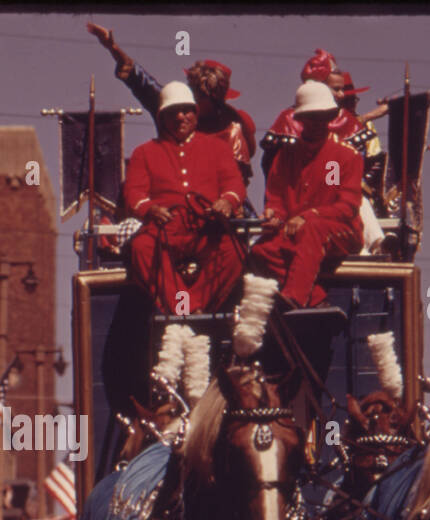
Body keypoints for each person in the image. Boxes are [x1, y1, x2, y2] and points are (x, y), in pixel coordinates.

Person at [87, 23, 256, 196]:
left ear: (217, 99)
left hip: (218, 202)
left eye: (201, 96)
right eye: (193, 91)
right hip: (168, 195)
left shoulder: (232, 128)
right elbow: (140, 79)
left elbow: (237, 179)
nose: (189, 107)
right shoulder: (173, 107)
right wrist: (113, 48)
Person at [124, 81, 246, 316]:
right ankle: (186, 308)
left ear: (196, 114)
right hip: (165, 228)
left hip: (207, 227)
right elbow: (134, 194)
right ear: (162, 118)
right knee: (141, 247)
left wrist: (226, 201)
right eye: (173, 112)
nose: (181, 117)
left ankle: (192, 307)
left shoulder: (218, 147)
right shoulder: (144, 152)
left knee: (234, 251)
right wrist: (150, 209)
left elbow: (235, 184)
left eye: (186, 110)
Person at [249, 81, 364, 310]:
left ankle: (294, 299)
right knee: (260, 250)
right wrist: (274, 216)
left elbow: (346, 206)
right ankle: (317, 298)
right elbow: (277, 200)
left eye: (322, 116)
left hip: (340, 231)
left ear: (330, 117)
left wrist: (311, 215)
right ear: (300, 119)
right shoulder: (285, 156)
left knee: (313, 229)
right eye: (311, 116)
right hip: (297, 233)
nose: (317, 122)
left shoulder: (343, 156)